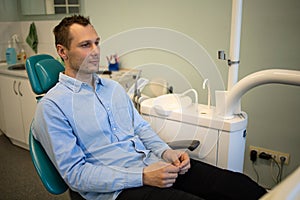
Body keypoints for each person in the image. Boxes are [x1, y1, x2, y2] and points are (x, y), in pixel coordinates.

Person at [32, 15, 267, 200]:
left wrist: (167, 153)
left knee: (236, 186)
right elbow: (76, 175)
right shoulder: (52, 108)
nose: (95, 51)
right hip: (116, 190)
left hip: (154, 164)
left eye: (97, 43)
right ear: (62, 51)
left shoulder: (112, 89)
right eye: (85, 45)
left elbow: (141, 128)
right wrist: (142, 177)